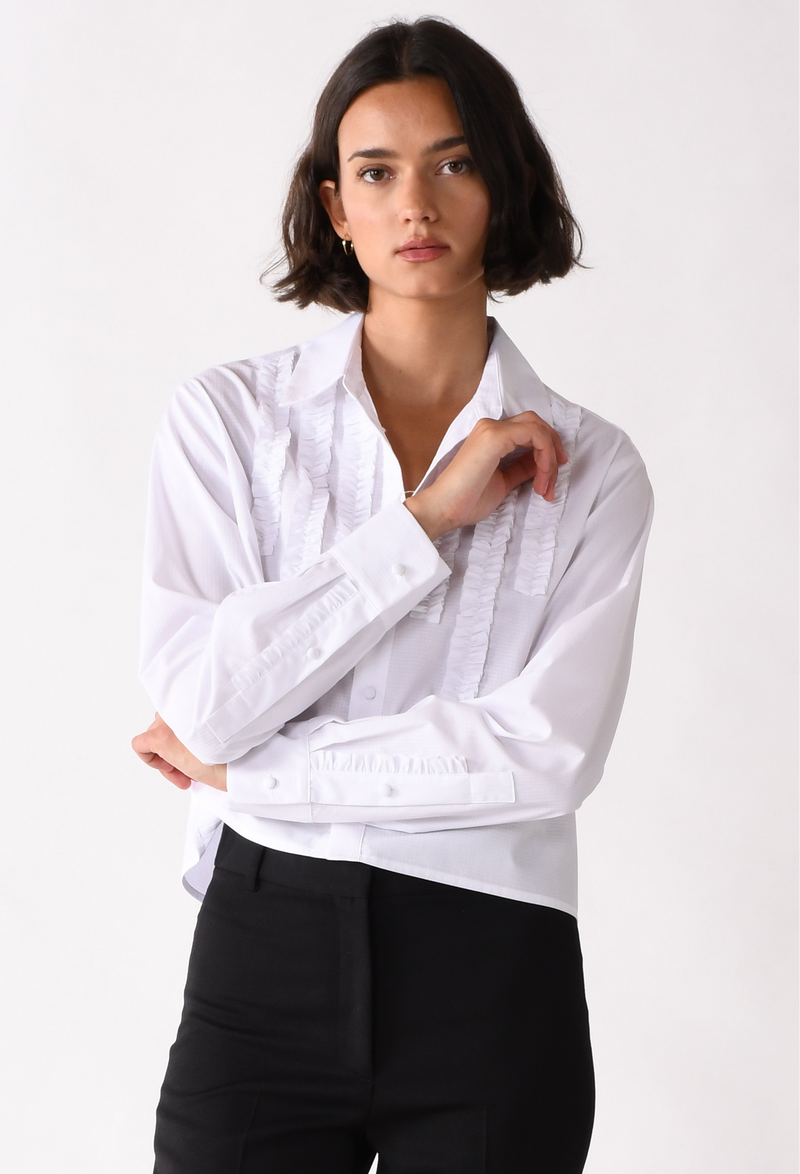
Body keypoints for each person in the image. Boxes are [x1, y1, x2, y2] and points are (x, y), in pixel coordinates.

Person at [132, 16, 653, 1174]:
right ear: (335, 206)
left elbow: (545, 755)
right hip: (262, 957)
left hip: (492, 967)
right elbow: (204, 704)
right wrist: (422, 524)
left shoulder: (594, 467)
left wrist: (263, 773)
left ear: (503, 185)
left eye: (454, 162)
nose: (414, 203)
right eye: (377, 171)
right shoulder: (228, 421)